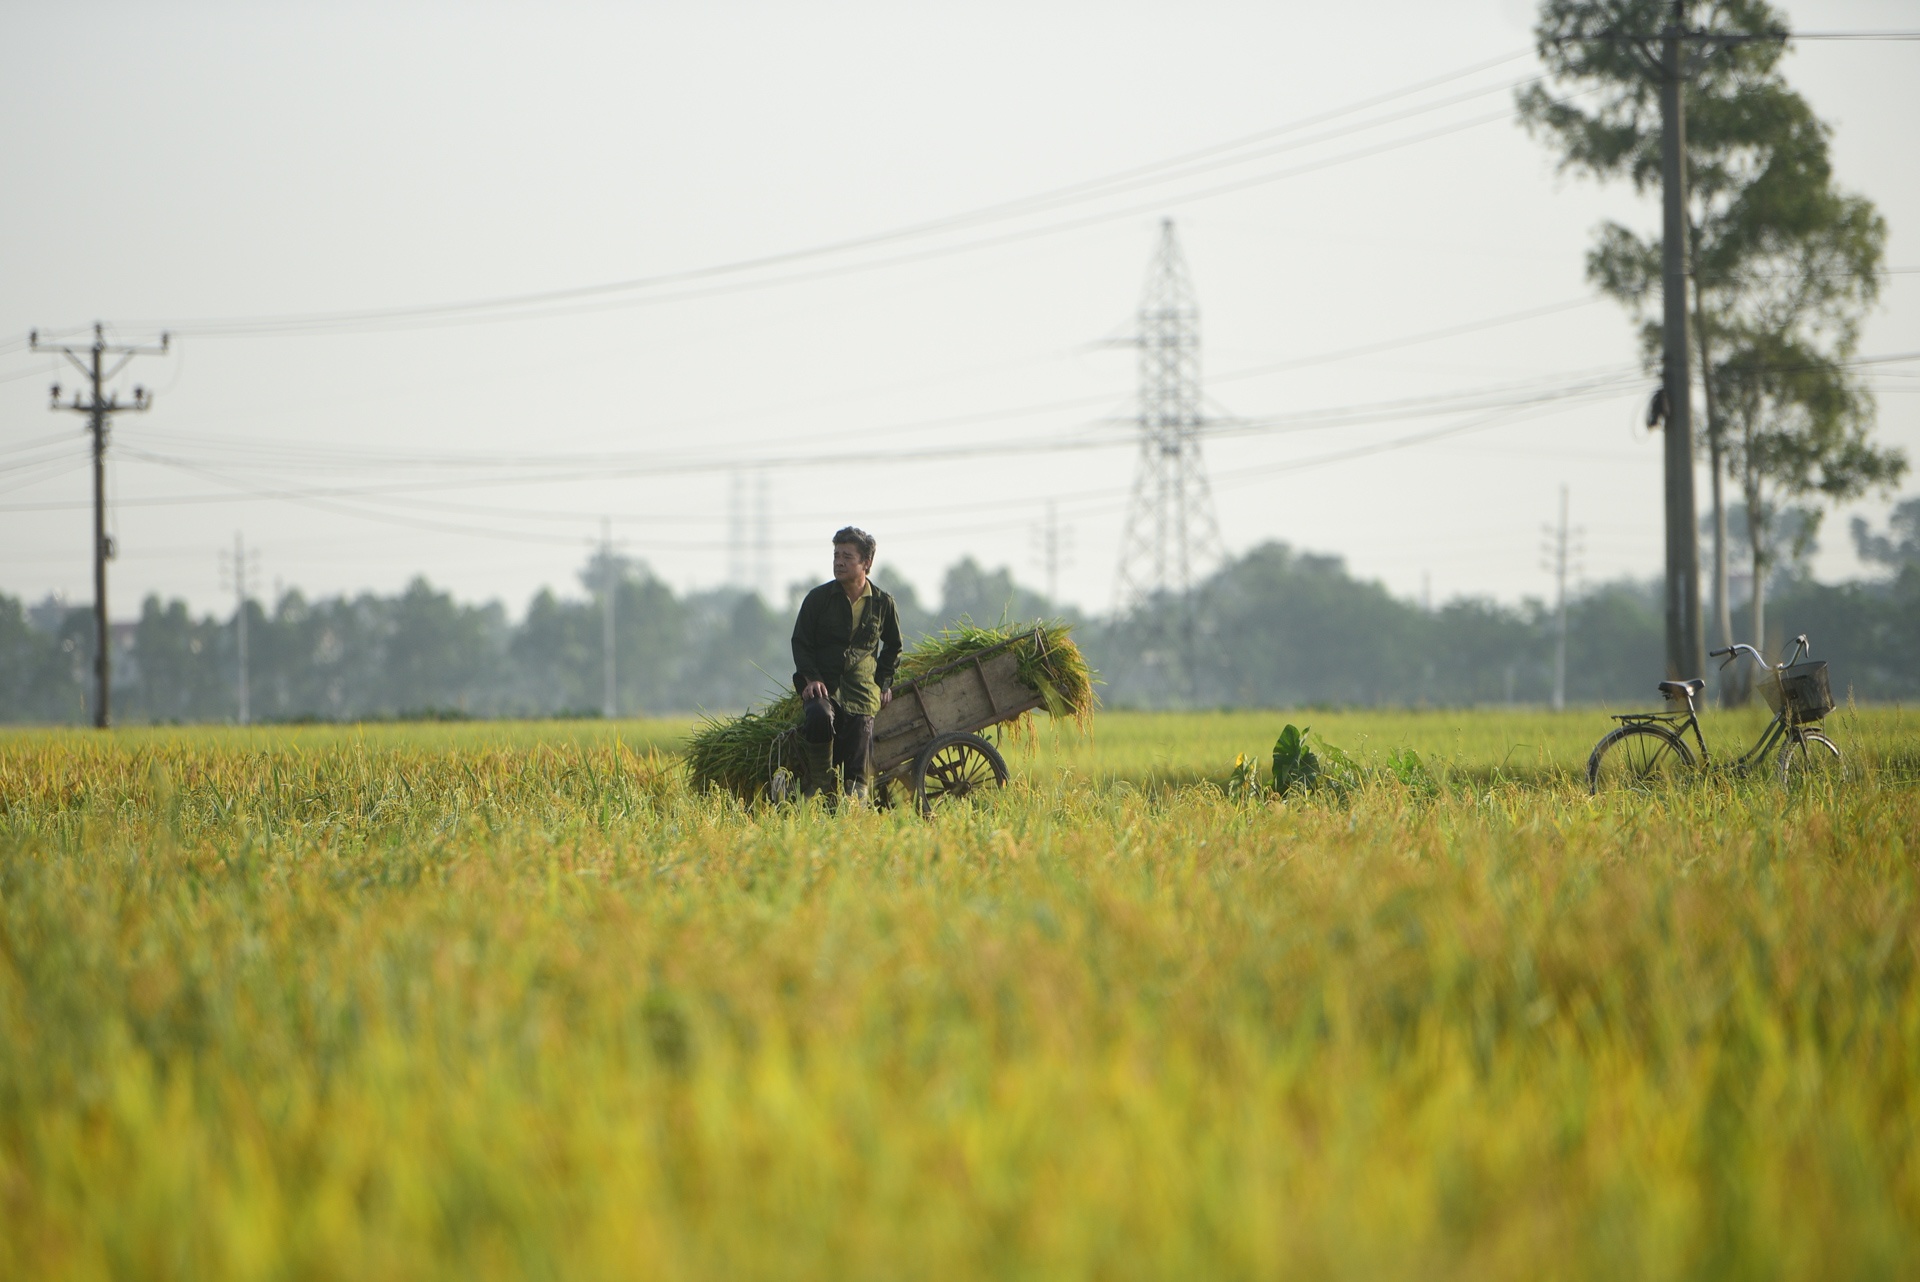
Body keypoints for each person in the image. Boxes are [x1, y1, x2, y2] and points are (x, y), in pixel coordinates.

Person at [790, 526, 903, 803]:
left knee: (860, 732)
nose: (839, 562)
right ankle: (820, 783)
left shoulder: (882, 603)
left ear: (866, 563)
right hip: (824, 685)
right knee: (818, 715)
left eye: (847, 557)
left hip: (862, 690)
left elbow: (893, 646)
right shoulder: (818, 599)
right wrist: (811, 678)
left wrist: (884, 683)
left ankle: (855, 800)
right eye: (836, 556)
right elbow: (801, 642)